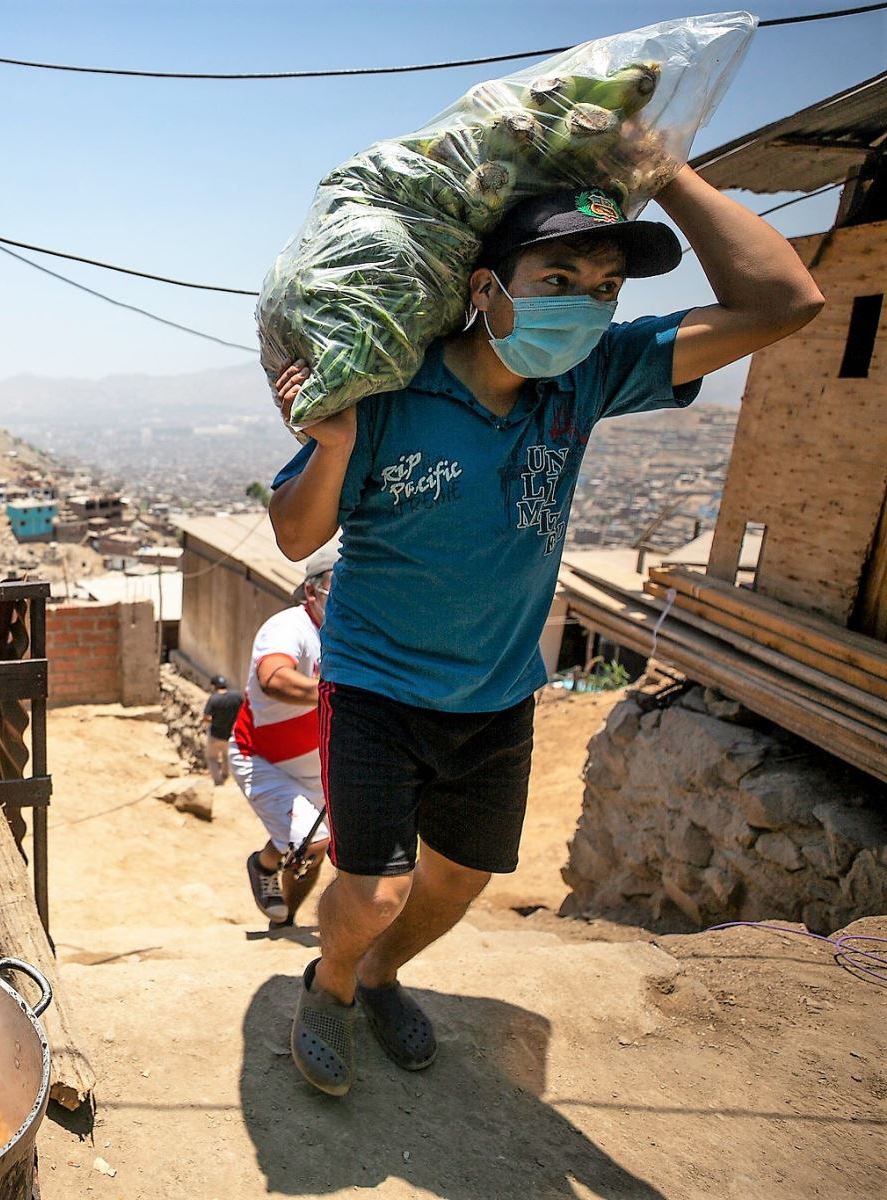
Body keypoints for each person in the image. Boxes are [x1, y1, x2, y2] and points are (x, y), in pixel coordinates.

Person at [267, 166, 823, 1098]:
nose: (586, 309)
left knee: (460, 882)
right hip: (376, 685)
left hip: (499, 690)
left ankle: (381, 972)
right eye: (557, 283)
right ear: (487, 291)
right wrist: (329, 445)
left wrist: (669, 175)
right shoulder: (393, 388)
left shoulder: (587, 377)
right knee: (375, 890)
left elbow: (786, 301)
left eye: (605, 290)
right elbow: (294, 535)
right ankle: (329, 985)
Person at [229, 546, 335, 927]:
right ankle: (263, 865)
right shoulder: (289, 627)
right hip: (262, 757)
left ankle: (287, 916)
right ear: (311, 592)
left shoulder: (356, 633)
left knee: (318, 848)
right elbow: (273, 678)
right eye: (336, 586)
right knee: (316, 839)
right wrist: (334, 691)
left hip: (319, 766)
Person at [200, 675, 242, 786]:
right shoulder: (236, 696)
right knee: (226, 755)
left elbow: (206, 717)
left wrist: (210, 720)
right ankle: (225, 774)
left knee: (211, 758)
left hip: (215, 734)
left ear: (214, 686)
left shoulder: (214, 699)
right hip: (231, 734)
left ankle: (218, 781)